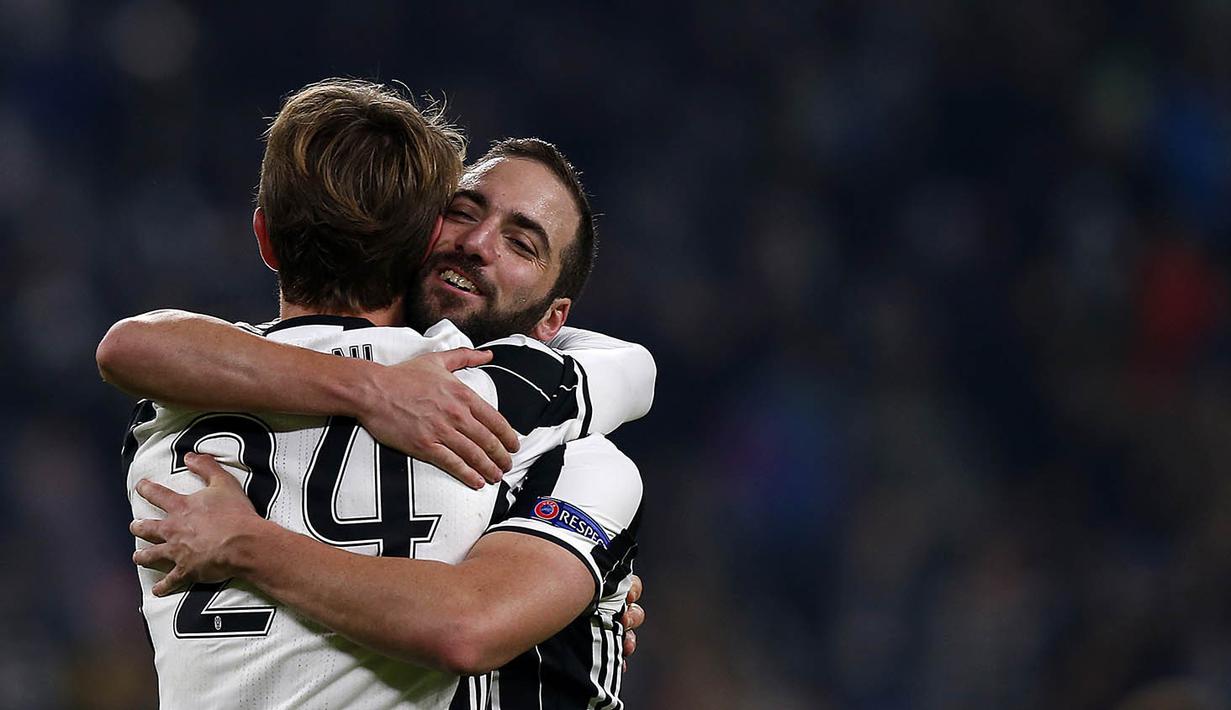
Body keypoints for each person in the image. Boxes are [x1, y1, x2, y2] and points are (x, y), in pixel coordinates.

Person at [100, 79, 651, 709]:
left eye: (521, 244)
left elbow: (128, 347)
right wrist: (374, 389)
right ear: (422, 240)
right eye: (463, 212)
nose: (476, 244)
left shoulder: (168, 405)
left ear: (264, 237)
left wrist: (247, 542)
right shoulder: (517, 408)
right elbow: (468, 625)